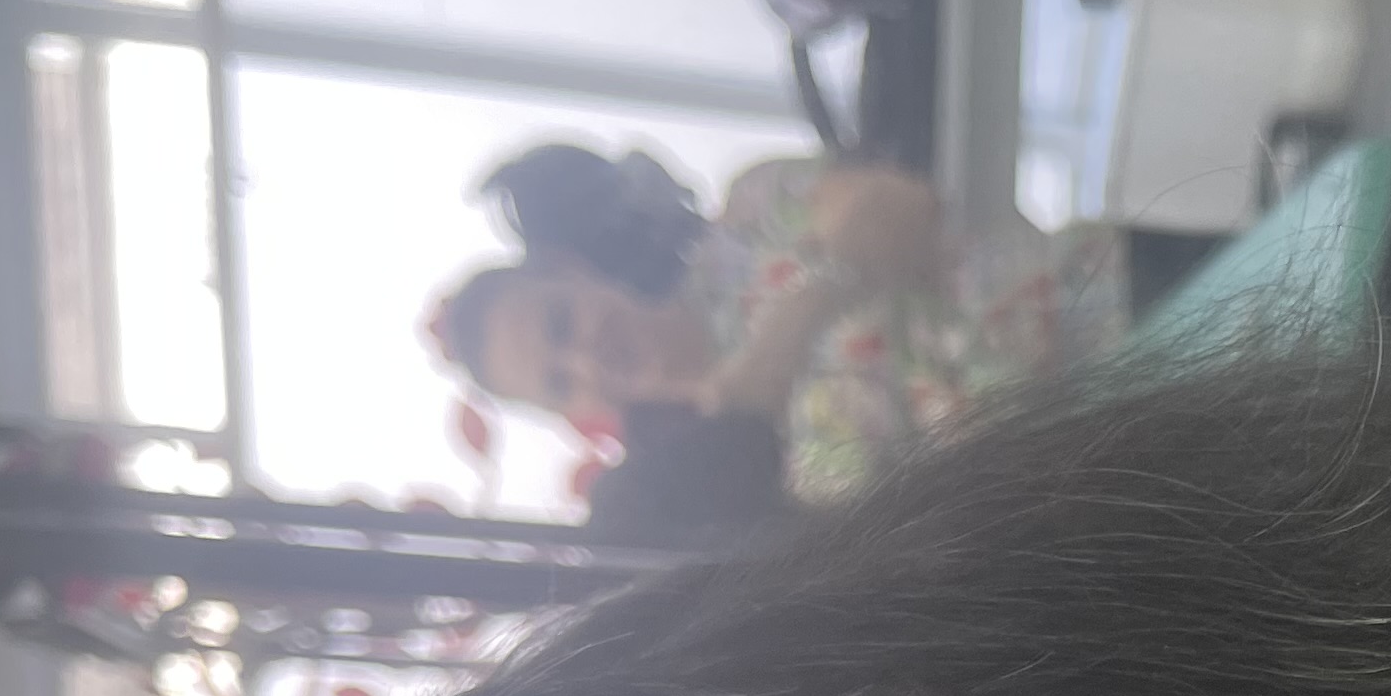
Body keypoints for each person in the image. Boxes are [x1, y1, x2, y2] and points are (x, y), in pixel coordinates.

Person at [429, 143, 1131, 527]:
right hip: (1112, 478)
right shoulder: (727, 478)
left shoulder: (749, 219)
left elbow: (903, 207)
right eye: (560, 379)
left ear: (572, 270)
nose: (585, 356)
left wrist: (786, 334)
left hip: (1123, 302)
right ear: (569, 415)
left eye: (562, 322)